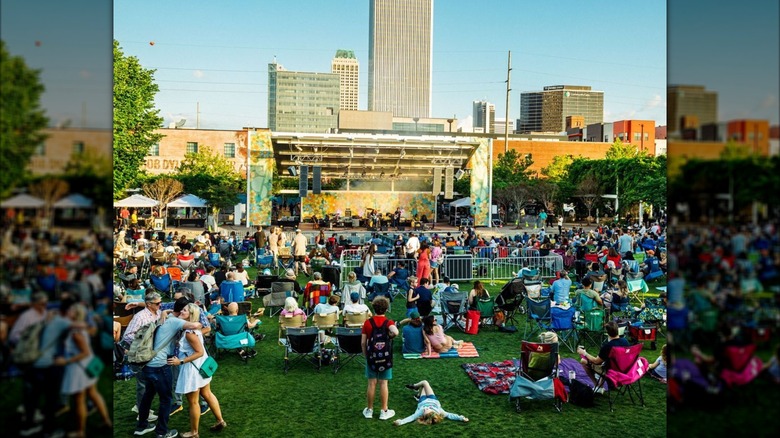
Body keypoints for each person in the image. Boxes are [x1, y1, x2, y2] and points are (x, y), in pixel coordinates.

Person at [134, 299, 203, 438]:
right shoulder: (175, 322)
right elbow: (195, 325)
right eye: (184, 309)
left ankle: (141, 427)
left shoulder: (165, 317)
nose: (185, 312)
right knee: (166, 399)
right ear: (181, 311)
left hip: (148, 364)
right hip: (160, 366)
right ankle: (162, 432)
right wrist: (200, 321)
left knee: (148, 395)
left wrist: (167, 311)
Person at [170, 303, 227, 437]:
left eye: (184, 310)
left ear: (191, 315)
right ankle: (220, 420)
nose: (181, 311)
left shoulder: (190, 333)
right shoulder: (194, 328)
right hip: (202, 367)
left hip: (192, 370)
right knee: (207, 394)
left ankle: (194, 432)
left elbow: (199, 352)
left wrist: (180, 361)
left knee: (194, 402)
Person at [59, 303, 112, 437]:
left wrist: (65, 361)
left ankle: (80, 431)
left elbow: (85, 352)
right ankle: (106, 421)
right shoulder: (80, 327)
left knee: (79, 400)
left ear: (75, 314)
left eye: (71, 309)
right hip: (87, 366)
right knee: (93, 393)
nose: (68, 311)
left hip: (79, 369)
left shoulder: (76, 332)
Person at [361, 296, 399, 421]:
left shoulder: (368, 323)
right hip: (385, 357)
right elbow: (396, 332)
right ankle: (384, 410)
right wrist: (391, 334)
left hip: (372, 356)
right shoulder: (389, 322)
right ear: (386, 309)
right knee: (384, 383)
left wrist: (366, 355)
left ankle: (369, 410)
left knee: (371, 383)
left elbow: (363, 342)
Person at [393, 380, 469, 426]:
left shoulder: (420, 412)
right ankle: (415, 387)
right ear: (434, 412)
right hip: (433, 399)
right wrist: (461, 418)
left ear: (424, 414)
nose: (427, 408)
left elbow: (411, 418)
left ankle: (418, 394)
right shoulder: (439, 412)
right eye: (429, 409)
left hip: (422, 401)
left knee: (422, 386)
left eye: (425, 410)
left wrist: (400, 422)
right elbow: (450, 415)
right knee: (425, 382)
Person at [577, 321, 629, 386]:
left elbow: (596, 361)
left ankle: (597, 386)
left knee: (583, 361)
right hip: (624, 369)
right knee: (604, 362)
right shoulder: (625, 341)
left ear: (607, 332)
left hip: (611, 371)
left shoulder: (608, 346)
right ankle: (603, 381)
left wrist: (584, 353)